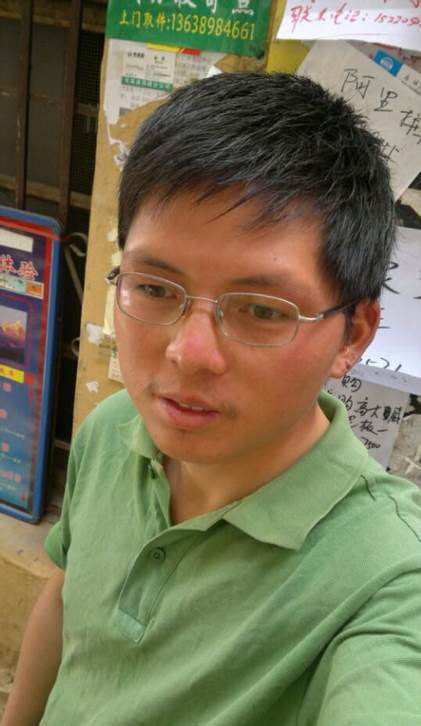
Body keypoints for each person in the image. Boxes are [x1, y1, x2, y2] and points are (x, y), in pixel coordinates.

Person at [3, 72, 421, 726]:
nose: (188, 352)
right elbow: (65, 606)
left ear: (353, 335)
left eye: (263, 309)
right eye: (154, 288)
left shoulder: (388, 580)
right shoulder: (114, 429)